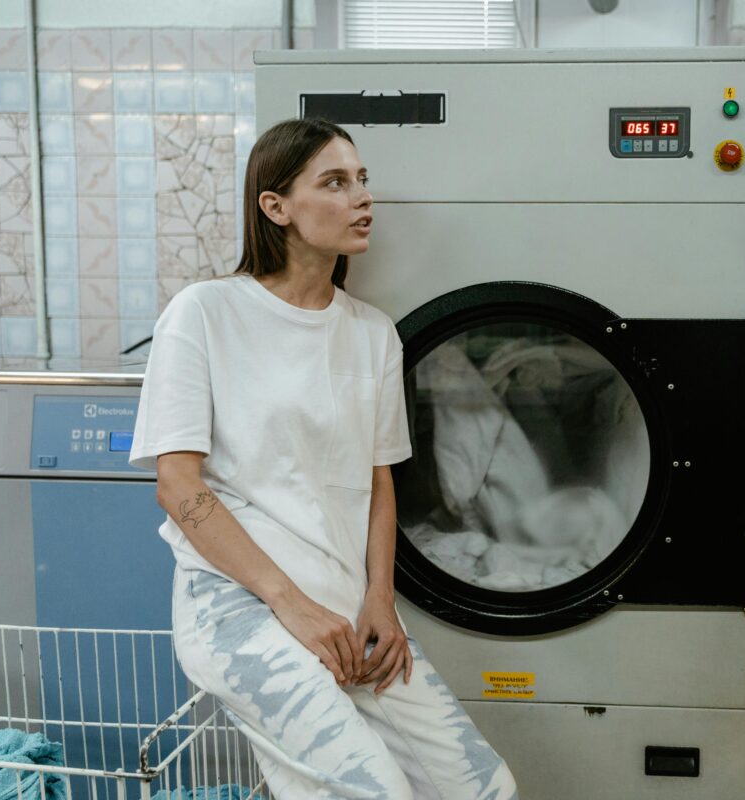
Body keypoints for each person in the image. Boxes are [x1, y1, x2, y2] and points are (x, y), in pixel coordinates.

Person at [130, 117, 519, 800]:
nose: (362, 197)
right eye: (335, 182)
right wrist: (291, 604)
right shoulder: (205, 313)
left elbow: (378, 481)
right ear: (275, 206)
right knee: (377, 793)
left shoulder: (373, 334)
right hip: (242, 607)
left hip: (348, 606)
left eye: (362, 180)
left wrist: (380, 599)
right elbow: (177, 484)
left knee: (486, 789)